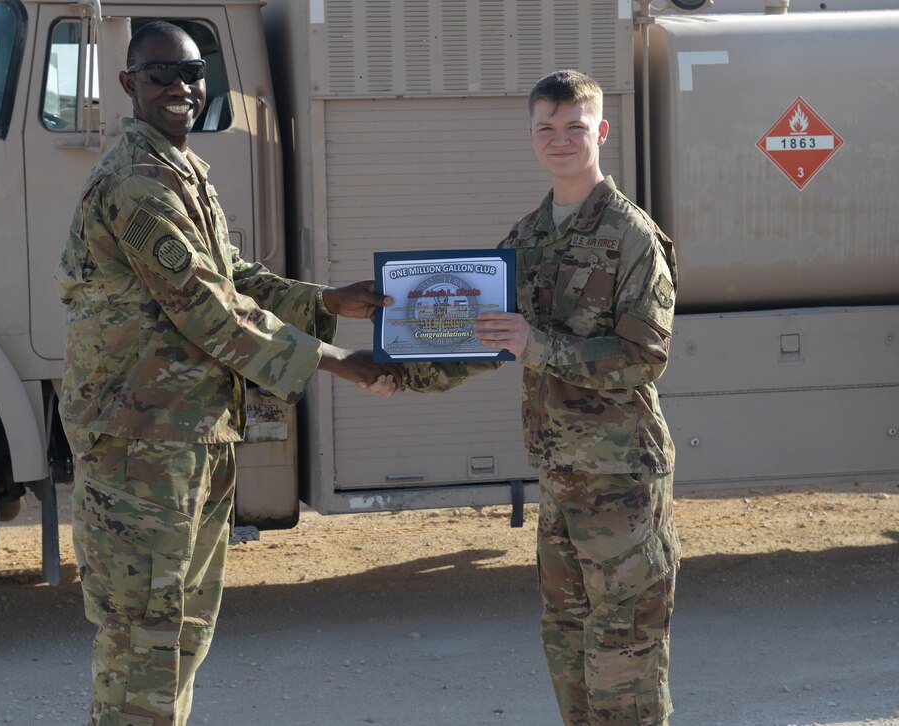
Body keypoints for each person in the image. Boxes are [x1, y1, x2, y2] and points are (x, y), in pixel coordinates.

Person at [54, 22, 392, 726]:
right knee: (144, 637)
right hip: (138, 449)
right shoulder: (136, 184)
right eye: (159, 76)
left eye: (191, 71)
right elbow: (209, 312)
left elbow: (231, 277)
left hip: (187, 437)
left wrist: (325, 302)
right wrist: (338, 362)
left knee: (181, 633)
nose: (180, 88)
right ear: (128, 85)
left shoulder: (182, 170)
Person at [370, 69, 680, 725]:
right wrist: (401, 371)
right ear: (531, 137)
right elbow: (481, 338)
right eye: (546, 128)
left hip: (621, 477)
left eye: (574, 127)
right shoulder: (529, 237)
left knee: (623, 656)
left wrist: (536, 344)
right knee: (567, 646)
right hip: (562, 476)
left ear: (601, 131)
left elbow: (644, 358)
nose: (559, 139)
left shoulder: (631, 236)